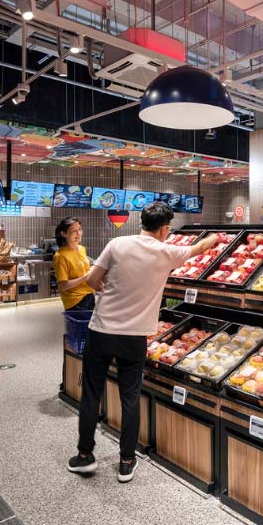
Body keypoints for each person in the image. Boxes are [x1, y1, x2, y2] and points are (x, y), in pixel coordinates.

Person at [67, 203, 219, 482]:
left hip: (102, 331)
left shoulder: (117, 243)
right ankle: (126, 461)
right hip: (135, 338)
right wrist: (213, 238)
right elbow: (200, 249)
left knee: (91, 394)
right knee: (130, 398)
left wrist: (107, 289)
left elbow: (91, 280)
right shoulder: (168, 252)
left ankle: (85, 456)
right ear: (163, 229)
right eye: (168, 229)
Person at [53, 218, 96, 311]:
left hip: (89, 295)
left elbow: (84, 271)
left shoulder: (81, 249)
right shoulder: (60, 256)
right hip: (75, 301)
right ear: (63, 234)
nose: (78, 234)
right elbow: (63, 286)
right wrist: (85, 277)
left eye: (80, 229)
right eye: (74, 231)